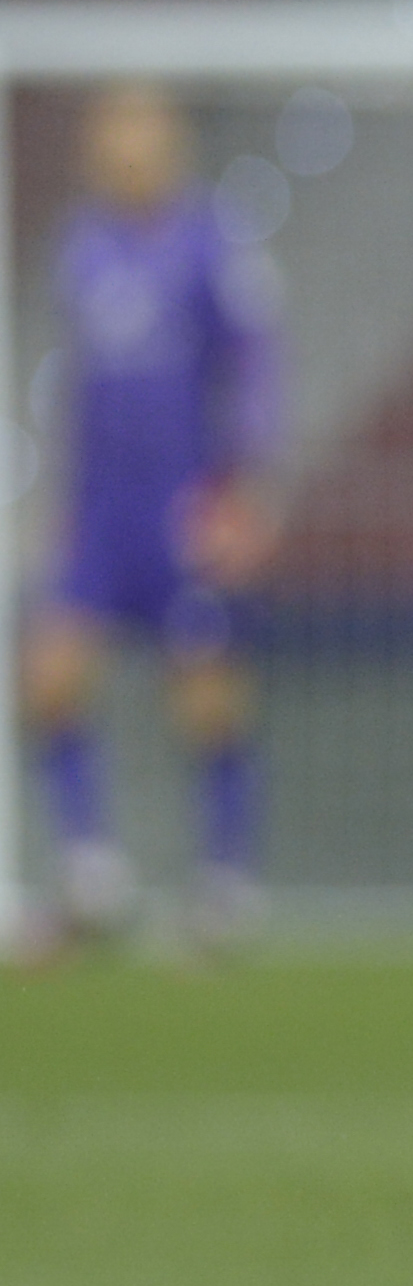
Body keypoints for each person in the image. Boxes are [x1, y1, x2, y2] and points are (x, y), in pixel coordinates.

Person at [22, 86, 282, 952]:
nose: (124, 150)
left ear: (169, 144)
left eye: (139, 132)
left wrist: (239, 492)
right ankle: (92, 872)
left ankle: (226, 883)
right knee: (51, 680)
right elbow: (80, 392)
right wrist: (65, 503)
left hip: (183, 503)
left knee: (206, 698)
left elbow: (253, 365)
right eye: (110, 133)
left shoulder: (210, 244)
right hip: (102, 511)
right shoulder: (83, 249)